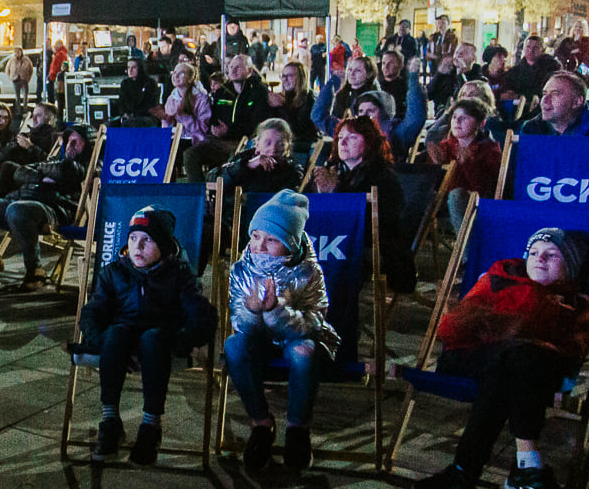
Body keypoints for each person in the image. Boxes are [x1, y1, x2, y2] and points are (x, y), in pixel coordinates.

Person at [413, 229, 589, 489]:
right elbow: (450, 328)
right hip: (469, 357)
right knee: (516, 357)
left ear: (571, 267)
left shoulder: (577, 304)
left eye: (552, 255)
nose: (540, 259)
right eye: (534, 252)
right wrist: (512, 327)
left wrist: (513, 325)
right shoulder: (497, 279)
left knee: (512, 365)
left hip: (521, 367)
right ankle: (527, 469)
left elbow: (571, 352)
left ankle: (463, 471)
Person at [73, 206, 215, 465]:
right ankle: (110, 421)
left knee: (152, 337)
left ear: (163, 244)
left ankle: (151, 426)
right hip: (121, 339)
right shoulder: (114, 272)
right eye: (133, 238)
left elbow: (201, 316)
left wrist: (184, 343)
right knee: (115, 334)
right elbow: (91, 314)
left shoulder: (179, 274)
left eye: (147, 240)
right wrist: (103, 343)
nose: (137, 246)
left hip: (162, 340)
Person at [222, 189, 336, 470]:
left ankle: (298, 429)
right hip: (258, 339)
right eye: (256, 236)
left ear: (292, 243)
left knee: (304, 352)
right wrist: (252, 311)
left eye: (272, 239)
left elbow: (314, 321)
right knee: (233, 345)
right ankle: (261, 423)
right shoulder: (242, 269)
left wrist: (275, 311)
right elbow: (239, 321)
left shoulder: (309, 272)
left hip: (297, 336)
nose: (259, 246)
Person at [0, 124, 92, 292]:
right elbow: (20, 172)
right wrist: (43, 175)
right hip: (17, 203)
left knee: (16, 209)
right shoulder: (56, 161)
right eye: (69, 141)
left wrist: (40, 172)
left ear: (88, 145)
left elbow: (68, 172)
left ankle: (35, 269)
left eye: (76, 142)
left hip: (50, 210)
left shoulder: (90, 168)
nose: (70, 145)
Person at [310, 116, 413, 293]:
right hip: (336, 242)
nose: (343, 143)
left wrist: (335, 192)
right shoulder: (338, 174)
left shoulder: (383, 177)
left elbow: (378, 225)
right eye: (340, 138)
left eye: (352, 137)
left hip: (376, 247)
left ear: (369, 142)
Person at [427, 98, 504, 232]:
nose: (457, 122)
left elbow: (486, 191)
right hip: (443, 206)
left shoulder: (490, 150)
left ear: (480, 125)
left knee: (456, 195)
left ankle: (465, 252)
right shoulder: (445, 147)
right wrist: (435, 167)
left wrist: (468, 164)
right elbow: (434, 186)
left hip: (474, 207)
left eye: (464, 118)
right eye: (455, 117)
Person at [219, 118, 305, 199]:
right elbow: (215, 180)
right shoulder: (244, 158)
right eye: (267, 143)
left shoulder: (293, 171)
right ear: (257, 144)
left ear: (288, 147)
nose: (273, 149)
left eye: (280, 144)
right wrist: (248, 165)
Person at [519, 70, 589, 138]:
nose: (545, 100)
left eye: (555, 94)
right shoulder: (532, 129)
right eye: (544, 94)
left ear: (577, 102)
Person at [159, 59, 213, 148]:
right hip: (176, 139)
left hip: (195, 142)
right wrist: (166, 119)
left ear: (190, 78)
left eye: (181, 73)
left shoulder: (201, 98)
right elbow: (166, 128)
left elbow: (203, 129)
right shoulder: (171, 98)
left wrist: (185, 117)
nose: (176, 76)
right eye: (174, 72)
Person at [114, 54, 160, 124]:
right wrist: (124, 113)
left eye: (134, 67)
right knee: (111, 124)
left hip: (146, 116)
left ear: (140, 68)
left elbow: (151, 105)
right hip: (128, 115)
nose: (130, 70)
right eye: (128, 67)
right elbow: (121, 102)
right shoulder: (125, 83)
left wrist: (135, 113)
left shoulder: (149, 83)